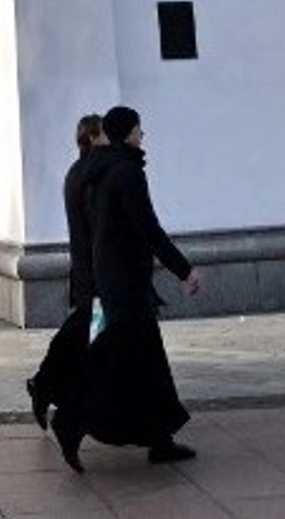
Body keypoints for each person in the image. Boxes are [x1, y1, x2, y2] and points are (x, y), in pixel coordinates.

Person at [53, 104, 200, 470]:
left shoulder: (97, 171)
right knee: (114, 361)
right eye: (139, 129)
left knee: (144, 362)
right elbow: (147, 229)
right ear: (128, 132)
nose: (142, 135)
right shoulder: (126, 172)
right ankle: (70, 419)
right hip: (126, 286)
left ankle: (160, 439)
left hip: (110, 280)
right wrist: (184, 270)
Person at [25, 113, 106, 429]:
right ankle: (52, 391)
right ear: (91, 138)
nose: (108, 141)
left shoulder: (79, 172)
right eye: (103, 136)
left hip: (90, 272)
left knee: (84, 335)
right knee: (86, 337)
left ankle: (48, 387)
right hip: (96, 274)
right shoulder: (89, 176)